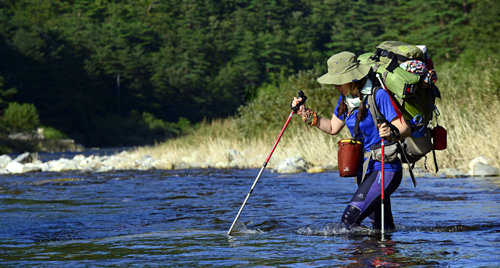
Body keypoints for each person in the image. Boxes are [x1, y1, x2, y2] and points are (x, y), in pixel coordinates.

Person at [291, 51, 410, 230]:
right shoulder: (346, 100)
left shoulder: (378, 95)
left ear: (352, 78)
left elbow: (404, 128)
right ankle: (388, 258)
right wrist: (305, 114)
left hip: (386, 169)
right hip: (366, 169)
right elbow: (332, 127)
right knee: (381, 228)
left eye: (339, 81)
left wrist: (391, 132)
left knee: (349, 219)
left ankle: (353, 258)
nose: (336, 85)